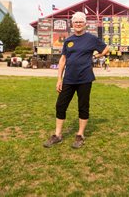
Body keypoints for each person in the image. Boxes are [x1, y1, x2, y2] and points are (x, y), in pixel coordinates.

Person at [43, 12, 109, 149]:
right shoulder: (68, 40)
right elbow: (63, 60)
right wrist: (59, 79)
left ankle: (80, 135)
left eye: (80, 22)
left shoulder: (91, 39)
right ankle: (58, 135)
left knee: (83, 106)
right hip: (68, 79)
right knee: (60, 105)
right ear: (72, 24)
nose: (78, 24)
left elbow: (106, 48)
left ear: (85, 24)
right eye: (76, 22)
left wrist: (97, 56)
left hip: (85, 78)